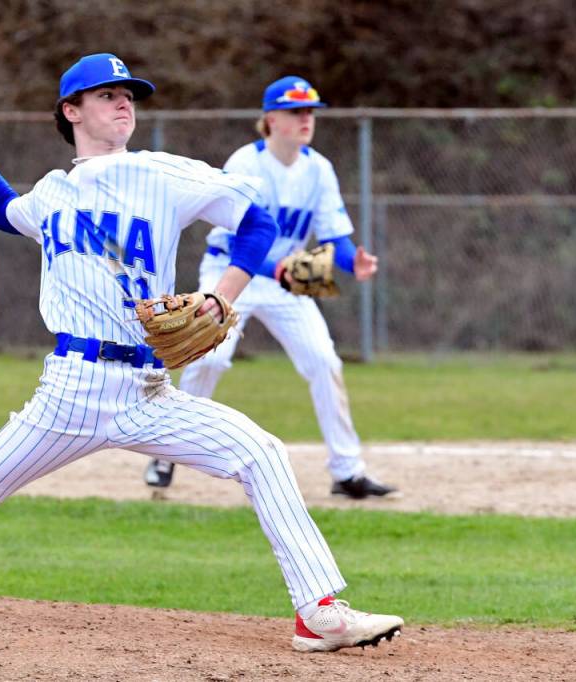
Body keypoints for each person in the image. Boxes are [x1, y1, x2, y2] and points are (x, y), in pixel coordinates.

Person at [0, 54, 403, 653]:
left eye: (129, 96)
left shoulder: (164, 174)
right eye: (108, 95)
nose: (124, 105)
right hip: (71, 387)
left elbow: (257, 222)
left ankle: (317, 611)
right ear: (71, 110)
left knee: (260, 452)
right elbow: (4, 211)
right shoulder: (55, 191)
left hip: (147, 391)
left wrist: (221, 298)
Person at [144, 76, 399, 500]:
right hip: (233, 274)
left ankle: (347, 472)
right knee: (211, 360)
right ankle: (166, 452)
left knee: (324, 361)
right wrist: (278, 267)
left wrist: (352, 260)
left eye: (310, 112)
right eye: (295, 111)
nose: (306, 120)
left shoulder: (318, 168)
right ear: (270, 119)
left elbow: (334, 237)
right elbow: (230, 241)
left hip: (286, 282)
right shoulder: (245, 163)